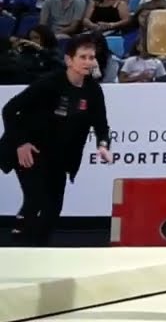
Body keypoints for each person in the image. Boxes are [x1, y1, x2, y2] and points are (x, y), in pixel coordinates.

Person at [0, 34, 112, 246]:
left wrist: (103, 145)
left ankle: (39, 248)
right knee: (37, 199)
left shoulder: (93, 91)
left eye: (91, 57)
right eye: (83, 57)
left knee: (54, 207)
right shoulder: (50, 82)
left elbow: (101, 124)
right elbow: (10, 110)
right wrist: (21, 143)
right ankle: (18, 244)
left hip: (60, 155)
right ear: (69, 60)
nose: (89, 62)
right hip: (29, 148)